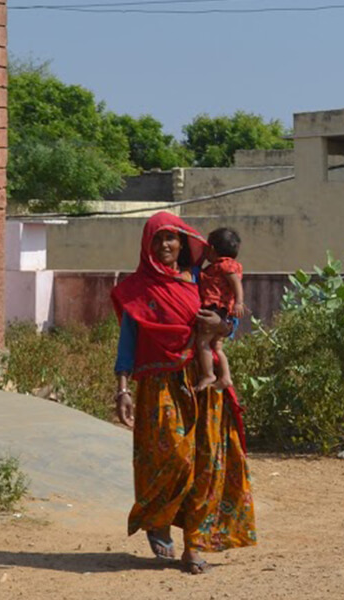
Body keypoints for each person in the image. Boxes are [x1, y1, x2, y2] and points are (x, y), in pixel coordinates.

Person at [109, 212, 256, 574]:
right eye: (157, 240)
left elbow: (228, 323)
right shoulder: (137, 289)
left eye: (171, 239)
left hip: (203, 382)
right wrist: (122, 390)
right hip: (159, 384)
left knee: (205, 464)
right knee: (175, 457)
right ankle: (157, 519)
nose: (165, 246)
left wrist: (223, 325)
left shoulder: (200, 279)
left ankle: (194, 545)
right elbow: (128, 342)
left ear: (183, 243)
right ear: (147, 246)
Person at [190, 227, 245, 393]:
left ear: (212, 249)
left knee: (202, 342)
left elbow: (236, 283)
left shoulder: (225, 266)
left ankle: (208, 375)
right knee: (217, 346)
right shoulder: (220, 267)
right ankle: (226, 377)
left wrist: (239, 302)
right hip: (222, 313)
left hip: (215, 309)